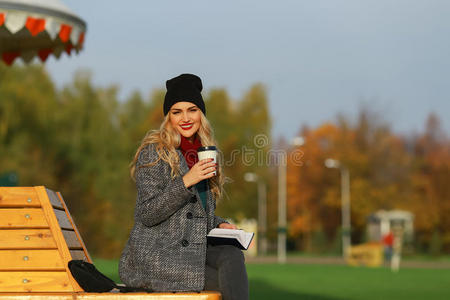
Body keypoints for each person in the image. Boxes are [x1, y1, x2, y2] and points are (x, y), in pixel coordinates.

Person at [119, 73, 249, 300]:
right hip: (158, 257)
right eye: (176, 112)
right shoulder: (155, 152)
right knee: (228, 283)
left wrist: (220, 223)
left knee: (231, 254)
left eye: (192, 110)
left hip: (189, 255)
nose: (185, 118)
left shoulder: (206, 153)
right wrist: (187, 180)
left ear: (202, 114)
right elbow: (147, 213)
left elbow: (193, 214)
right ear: (168, 118)